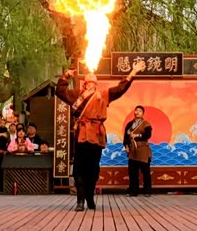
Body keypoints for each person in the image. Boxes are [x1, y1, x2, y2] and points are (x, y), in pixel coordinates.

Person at [56, 60, 145, 212]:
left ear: (96, 83)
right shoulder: (76, 94)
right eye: (89, 81)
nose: (91, 82)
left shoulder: (103, 95)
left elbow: (120, 88)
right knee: (79, 168)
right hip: (82, 135)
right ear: (85, 83)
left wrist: (133, 72)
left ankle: (90, 197)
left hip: (97, 135)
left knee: (93, 169)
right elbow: (60, 92)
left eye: (93, 81)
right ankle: (80, 200)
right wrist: (66, 76)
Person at [123, 105, 153, 197]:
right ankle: (133, 190)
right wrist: (126, 146)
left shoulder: (146, 123)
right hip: (132, 150)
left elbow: (148, 135)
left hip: (143, 150)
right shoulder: (129, 124)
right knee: (132, 172)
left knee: (145, 171)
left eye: (140, 111)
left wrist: (137, 136)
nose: (137, 112)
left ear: (143, 113)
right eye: (136, 110)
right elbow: (126, 137)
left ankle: (147, 190)